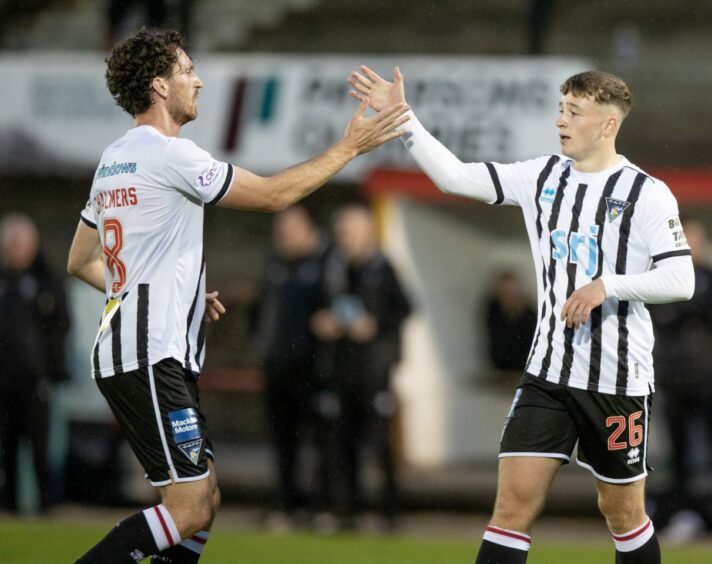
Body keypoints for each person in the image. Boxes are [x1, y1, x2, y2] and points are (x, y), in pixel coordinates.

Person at [66, 28, 408, 563]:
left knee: (205, 501)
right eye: (187, 71)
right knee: (189, 509)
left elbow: (81, 260)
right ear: (159, 85)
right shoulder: (169, 154)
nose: (198, 80)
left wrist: (176, 295)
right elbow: (275, 196)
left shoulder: (114, 159)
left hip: (139, 349)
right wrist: (350, 147)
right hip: (148, 352)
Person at [348, 67, 694, 563]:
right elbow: (455, 177)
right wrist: (404, 119)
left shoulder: (646, 193)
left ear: (608, 125)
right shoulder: (543, 176)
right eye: (560, 108)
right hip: (547, 375)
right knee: (510, 506)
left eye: (574, 112)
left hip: (617, 381)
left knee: (621, 513)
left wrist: (607, 286)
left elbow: (682, 281)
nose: (561, 121)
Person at [311, 202, 411, 530]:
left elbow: (405, 308)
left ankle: (389, 512)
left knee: (380, 442)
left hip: (374, 369)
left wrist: (375, 325)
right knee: (341, 442)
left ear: (367, 233)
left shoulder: (383, 267)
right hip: (340, 369)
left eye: (351, 232)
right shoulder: (331, 268)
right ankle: (345, 511)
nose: (345, 239)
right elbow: (314, 309)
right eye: (341, 233)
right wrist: (321, 321)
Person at [648, 218, 712, 539]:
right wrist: (678, 312)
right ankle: (682, 513)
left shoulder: (710, 275)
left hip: (707, 378)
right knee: (678, 453)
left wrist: (678, 311)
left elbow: (695, 307)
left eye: (697, 238)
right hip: (672, 378)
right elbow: (661, 315)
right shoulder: (662, 273)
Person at [250, 205, 328, 527]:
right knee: (283, 442)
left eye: (290, 230)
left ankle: (319, 505)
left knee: (319, 442)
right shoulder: (275, 265)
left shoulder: (326, 265)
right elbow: (259, 312)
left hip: (313, 371)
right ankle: (285, 503)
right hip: (277, 368)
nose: (283, 237)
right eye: (280, 231)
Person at [0, 213, 70, 514]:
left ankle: (45, 506)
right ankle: (9, 506)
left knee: (40, 446)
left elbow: (61, 325)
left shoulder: (47, 280)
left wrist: (49, 366)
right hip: (4, 380)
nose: (17, 250)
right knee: (8, 446)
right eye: (11, 244)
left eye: (21, 243)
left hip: (37, 378)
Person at [485, 270, 537, 373]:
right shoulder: (494, 312)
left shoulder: (529, 315)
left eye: (513, 293)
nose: (510, 298)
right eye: (505, 293)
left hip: (525, 368)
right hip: (500, 369)